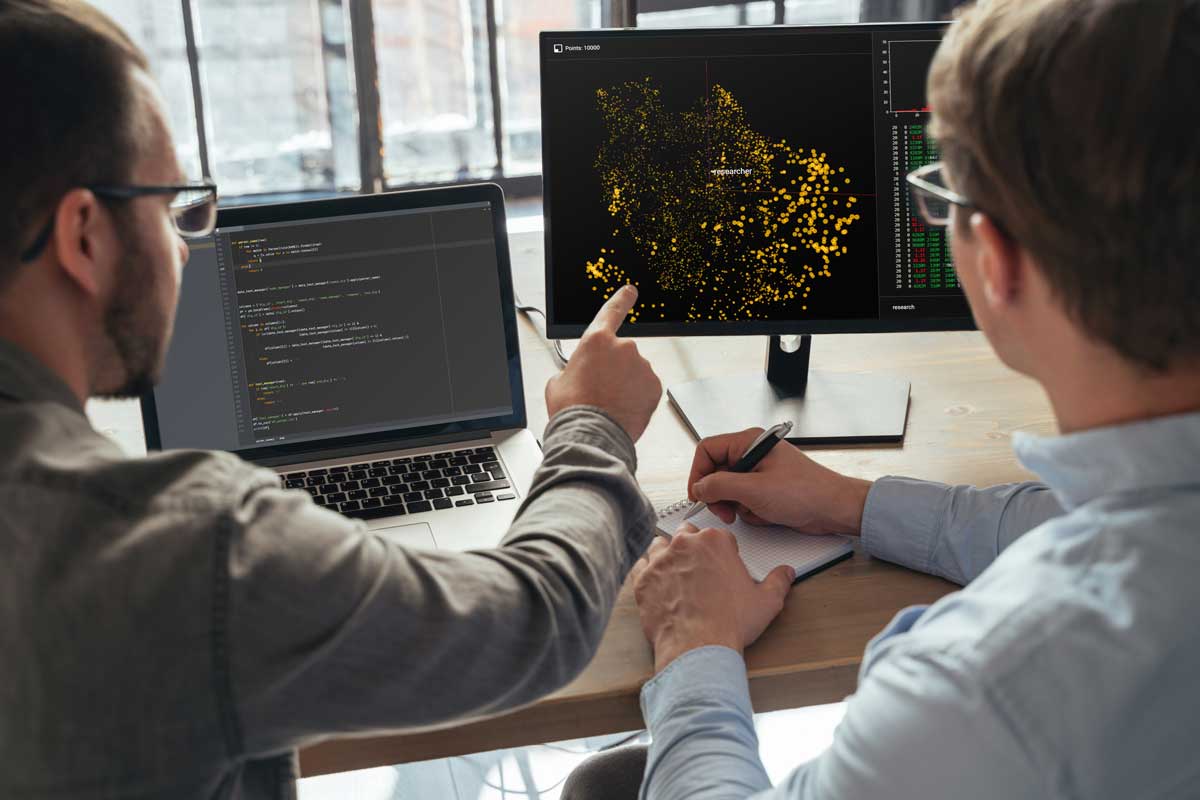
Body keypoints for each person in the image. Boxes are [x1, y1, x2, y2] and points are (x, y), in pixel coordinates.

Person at [0, 2, 664, 797]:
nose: (183, 245)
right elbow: (533, 622)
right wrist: (595, 422)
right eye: (169, 205)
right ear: (84, 236)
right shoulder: (187, 546)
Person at [568, 0, 1200, 798]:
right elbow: (1095, 521)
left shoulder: (987, 685)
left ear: (996, 259)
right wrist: (852, 504)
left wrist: (694, 650)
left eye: (944, 198)